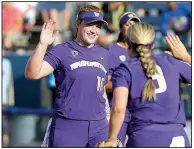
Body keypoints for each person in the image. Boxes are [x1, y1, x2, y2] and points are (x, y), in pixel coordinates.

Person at [25, 4, 111, 147]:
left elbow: (103, 88)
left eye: (98, 26)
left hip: (99, 127)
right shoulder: (62, 51)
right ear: (78, 24)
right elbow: (32, 74)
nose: (94, 30)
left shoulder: (105, 54)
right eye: (90, 24)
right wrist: (42, 44)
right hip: (68, 125)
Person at [97, 23, 191, 147]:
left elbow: (119, 109)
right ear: (153, 44)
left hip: (144, 138)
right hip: (177, 138)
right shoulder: (171, 62)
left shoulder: (125, 70)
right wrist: (186, 57)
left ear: (128, 44)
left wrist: (111, 140)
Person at [106, 12, 141, 147]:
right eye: (128, 24)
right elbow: (104, 84)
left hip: (140, 113)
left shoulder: (144, 51)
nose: (132, 27)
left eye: (136, 24)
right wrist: (124, 87)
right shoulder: (113, 51)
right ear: (121, 29)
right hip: (119, 113)